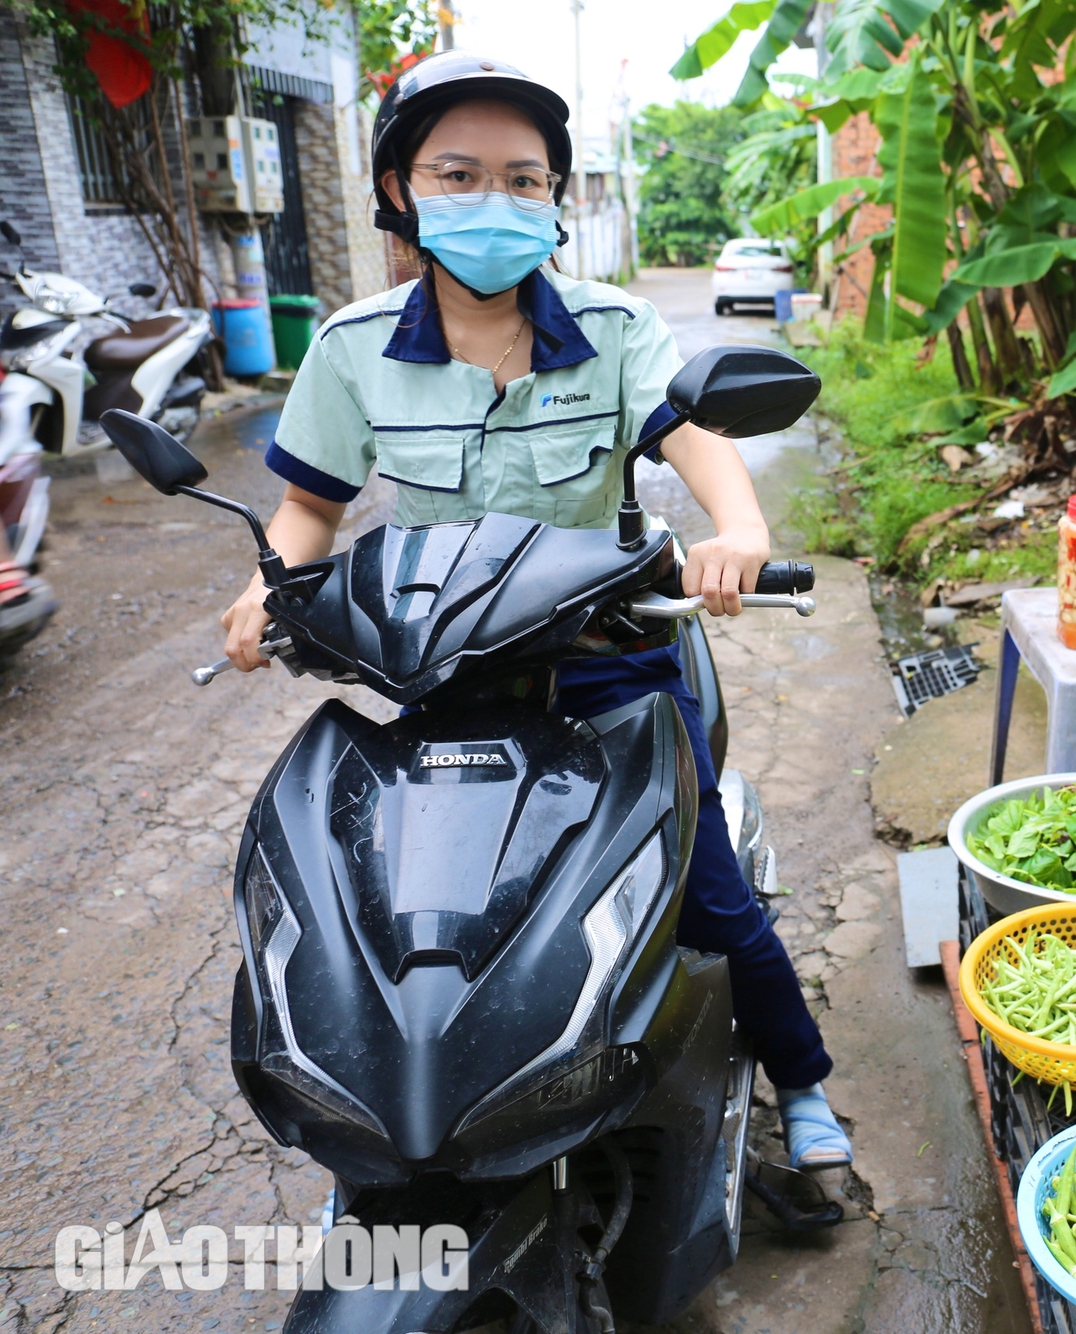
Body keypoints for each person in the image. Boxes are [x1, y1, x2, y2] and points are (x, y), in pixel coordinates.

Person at [216, 52, 850, 1169]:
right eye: (458, 174)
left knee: (699, 895)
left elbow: (693, 438)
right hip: (437, 674)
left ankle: (799, 1082)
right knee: (398, 919)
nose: (493, 201)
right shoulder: (354, 346)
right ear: (402, 189)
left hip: (608, 658)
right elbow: (309, 507)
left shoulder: (609, 329)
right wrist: (263, 582)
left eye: (524, 179)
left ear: (555, 200)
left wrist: (738, 530)